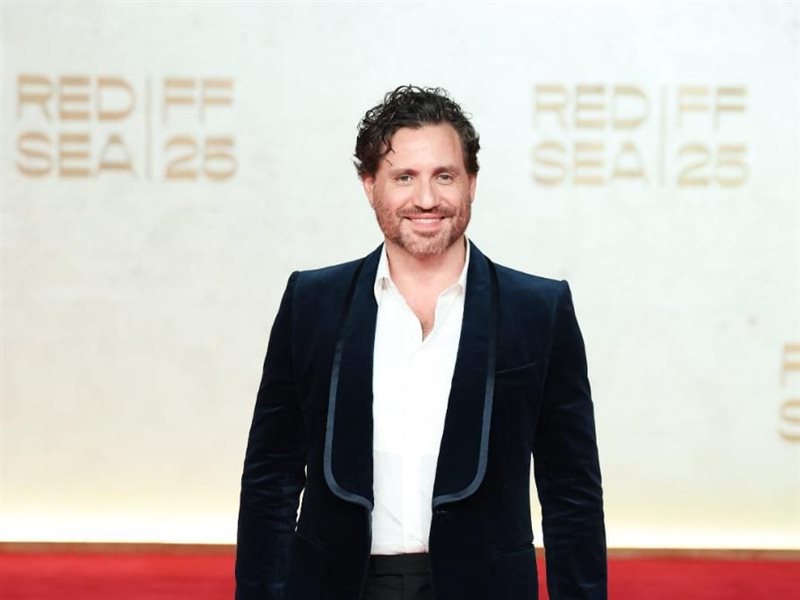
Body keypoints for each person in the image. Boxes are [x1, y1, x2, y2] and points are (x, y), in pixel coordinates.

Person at [235, 85, 606, 600]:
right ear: (370, 185)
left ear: (472, 183)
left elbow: (571, 494)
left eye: (444, 176)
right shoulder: (311, 303)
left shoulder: (538, 311)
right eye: (404, 177)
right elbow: (271, 480)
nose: (426, 199)